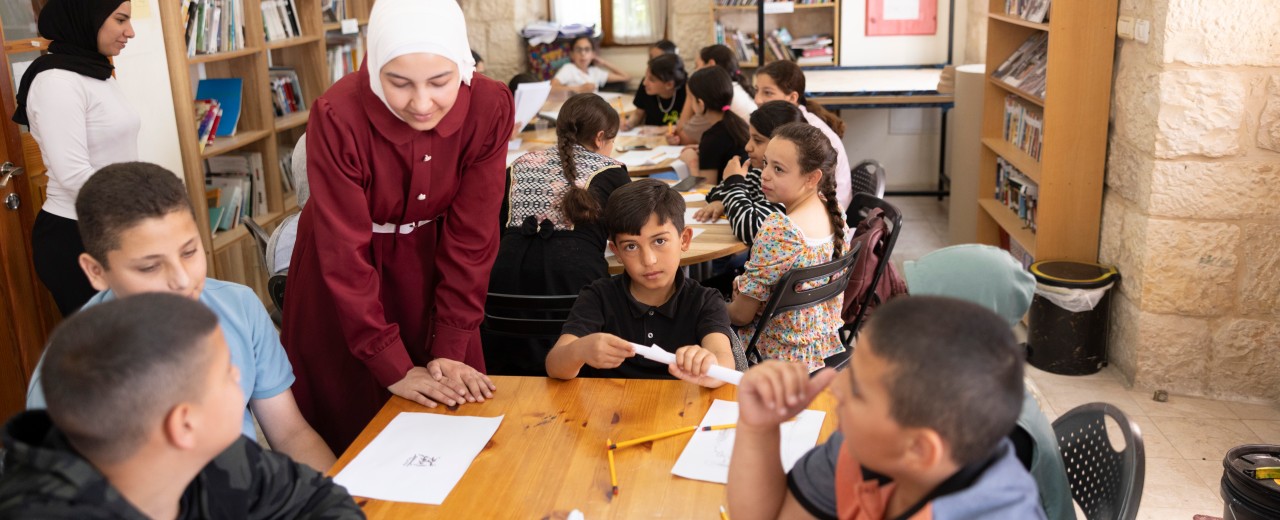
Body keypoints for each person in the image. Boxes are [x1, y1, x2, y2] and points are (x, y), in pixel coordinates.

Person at [280, 0, 512, 453]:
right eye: (399, 83)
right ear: (374, 69)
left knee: (451, 420)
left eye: (440, 82)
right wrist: (388, 361)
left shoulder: (489, 106)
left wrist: (450, 341)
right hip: (343, 279)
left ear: (462, 66)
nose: (421, 103)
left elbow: (473, 236)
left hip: (433, 268)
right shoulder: (337, 115)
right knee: (350, 425)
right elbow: (342, 251)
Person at [23, 162, 335, 472]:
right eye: (149, 267)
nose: (183, 280)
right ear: (96, 272)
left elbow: (292, 434)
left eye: (189, 252)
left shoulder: (239, 307)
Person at [0, 293, 363, 519]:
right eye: (225, 373)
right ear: (184, 424)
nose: (240, 374)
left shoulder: (220, 455)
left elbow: (320, 498)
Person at [727, 296, 1045, 520]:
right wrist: (759, 428)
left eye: (858, 391)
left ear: (919, 449)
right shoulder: (864, 448)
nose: (836, 387)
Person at [485, 93, 631, 375]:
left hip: (503, 299)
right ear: (601, 138)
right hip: (575, 298)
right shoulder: (612, 171)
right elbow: (627, 233)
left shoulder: (518, 165)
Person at [13, 0, 140, 316]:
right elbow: (73, 175)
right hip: (77, 235)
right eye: (120, 20)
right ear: (88, 17)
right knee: (113, 352)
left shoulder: (95, 70)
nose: (131, 32)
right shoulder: (56, 81)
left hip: (113, 223)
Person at [546, 179, 736, 387]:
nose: (649, 260)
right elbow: (555, 366)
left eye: (659, 241)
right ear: (616, 251)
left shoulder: (705, 300)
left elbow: (724, 361)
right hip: (608, 413)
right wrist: (579, 350)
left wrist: (708, 366)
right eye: (631, 247)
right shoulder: (598, 296)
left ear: (684, 239)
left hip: (681, 411)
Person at [727, 123, 847, 371]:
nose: (765, 175)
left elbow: (740, 316)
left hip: (771, 352)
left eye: (779, 169)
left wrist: (711, 304)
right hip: (818, 347)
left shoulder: (781, 229)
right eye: (766, 163)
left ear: (813, 178)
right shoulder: (835, 214)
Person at [695, 101, 804, 246]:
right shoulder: (758, 173)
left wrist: (734, 182)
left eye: (757, 140)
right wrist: (721, 199)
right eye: (749, 138)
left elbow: (749, 230)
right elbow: (715, 192)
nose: (747, 147)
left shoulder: (786, 188)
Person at [755, 60, 852, 212]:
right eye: (756, 90)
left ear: (793, 97)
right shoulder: (795, 122)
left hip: (828, 211)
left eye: (767, 92)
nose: (757, 99)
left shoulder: (804, 133)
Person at [669, 44, 757, 144]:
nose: (693, 73)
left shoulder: (715, 98)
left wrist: (690, 92)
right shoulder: (736, 87)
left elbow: (683, 137)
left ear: (711, 64)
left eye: (697, 66)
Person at [677, 66, 749, 185]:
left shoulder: (712, 138)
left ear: (700, 103)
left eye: (690, 98)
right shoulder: (738, 124)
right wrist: (703, 149)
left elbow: (706, 188)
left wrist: (692, 163)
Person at [623, 53, 687, 130]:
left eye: (652, 79)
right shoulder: (646, 87)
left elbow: (688, 126)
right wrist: (629, 123)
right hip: (649, 137)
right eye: (645, 77)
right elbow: (638, 114)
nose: (645, 83)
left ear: (669, 84)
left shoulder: (687, 90)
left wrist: (660, 130)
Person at [550, 36, 630, 96]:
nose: (583, 54)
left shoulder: (595, 71)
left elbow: (625, 77)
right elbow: (551, 88)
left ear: (593, 54)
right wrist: (579, 89)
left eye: (587, 49)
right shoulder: (569, 68)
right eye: (578, 50)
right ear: (572, 54)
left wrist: (604, 63)